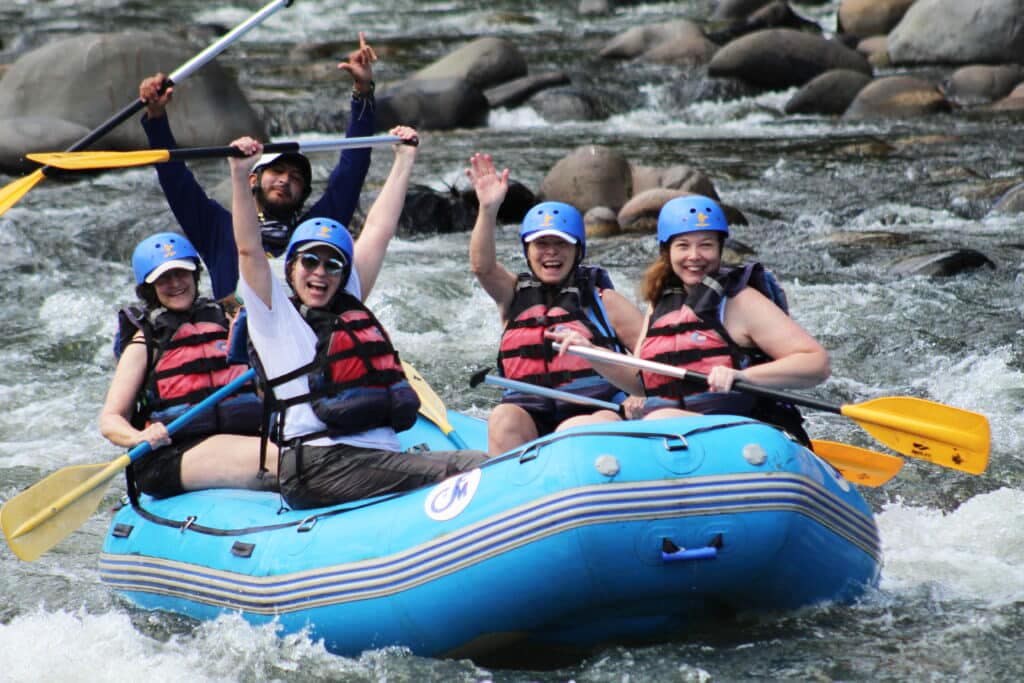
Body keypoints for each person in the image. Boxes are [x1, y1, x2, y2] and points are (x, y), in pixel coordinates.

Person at [228, 128, 487, 510]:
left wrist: (404, 160)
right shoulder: (275, 318)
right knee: (477, 467)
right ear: (292, 266)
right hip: (321, 464)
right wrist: (239, 174)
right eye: (310, 262)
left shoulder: (344, 302)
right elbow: (248, 249)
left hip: (370, 459)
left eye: (332, 264)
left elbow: (379, 232)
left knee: (477, 464)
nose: (321, 272)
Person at [548, 194, 830, 444]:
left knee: (660, 421)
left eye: (705, 245)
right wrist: (592, 352)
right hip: (675, 434)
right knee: (577, 426)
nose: (694, 256)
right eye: (683, 246)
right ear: (667, 252)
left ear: (720, 249)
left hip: (743, 434)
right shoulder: (661, 303)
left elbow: (816, 362)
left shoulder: (740, 301)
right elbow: (642, 382)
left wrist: (743, 375)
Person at [138, 32, 379, 302]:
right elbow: (176, 180)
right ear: (253, 180)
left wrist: (362, 92)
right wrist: (156, 118)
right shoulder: (217, 228)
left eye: (296, 177)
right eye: (277, 171)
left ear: (304, 193)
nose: (285, 180)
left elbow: (352, 169)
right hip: (236, 337)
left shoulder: (314, 231)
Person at [466, 153, 644, 456]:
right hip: (530, 415)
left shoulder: (605, 301)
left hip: (596, 412)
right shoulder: (512, 295)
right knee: (502, 417)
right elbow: (482, 267)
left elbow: (651, 358)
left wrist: (640, 396)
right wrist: (488, 209)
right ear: (527, 250)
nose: (551, 253)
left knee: (570, 432)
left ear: (578, 251)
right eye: (541, 244)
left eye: (561, 243)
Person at [99, 232, 276, 498]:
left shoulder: (229, 322)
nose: (175, 283)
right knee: (286, 461)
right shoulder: (146, 342)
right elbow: (111, 419)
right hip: (172, 455)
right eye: (164, 278)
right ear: (150, 288)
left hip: (243, 440)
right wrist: (139, 438)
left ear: (194, 275)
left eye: (181, 273)